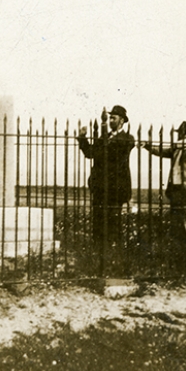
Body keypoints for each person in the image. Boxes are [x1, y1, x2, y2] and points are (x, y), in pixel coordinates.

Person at [78, 105, 135, 260]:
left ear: (122, 121)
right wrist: (83, 138)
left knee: (113, 223)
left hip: (115, 189)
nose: (110, 121)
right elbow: (91, 153)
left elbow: (111, 154)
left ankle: (114, 257)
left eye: (113, 118)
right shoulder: (104, 137)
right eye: (109, 118)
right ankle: (99, 256)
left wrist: (102, 144)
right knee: (98, 222)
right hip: (100, 188)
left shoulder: (127, 139)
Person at [144, 120, 186, 261]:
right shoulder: (179, 148)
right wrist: (148, 146)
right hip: (178, 189)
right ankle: (185, 256)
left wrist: (177, 144)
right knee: (182, 225)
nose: (179, 136)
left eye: (181, 133)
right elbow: (163, 151)